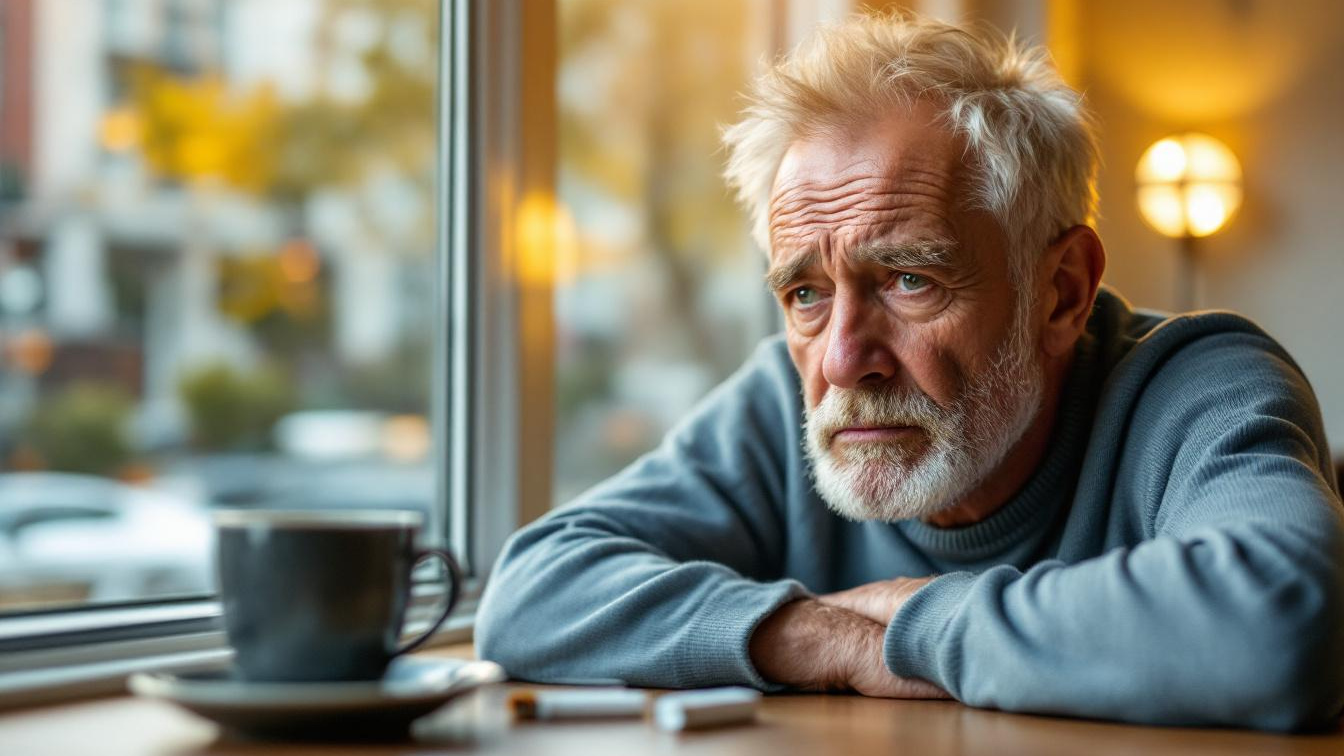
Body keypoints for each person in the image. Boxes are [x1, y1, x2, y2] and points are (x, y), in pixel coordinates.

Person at [476, 11, 1344, 731]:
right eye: (806, 294)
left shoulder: (1197, 383)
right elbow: (530, 591)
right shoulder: (782, 399)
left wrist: (913, 626)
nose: (844, 359)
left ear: (1061, 293)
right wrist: (819, 637)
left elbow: (1279, 624)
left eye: (910, 279)